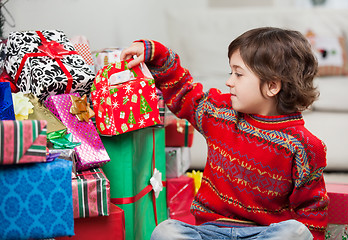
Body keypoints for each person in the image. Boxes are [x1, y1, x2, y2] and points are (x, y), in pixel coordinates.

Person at [120, 27, 329, 240]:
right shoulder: (220, 113)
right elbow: (184, 92)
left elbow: (312, 207)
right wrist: (158, 55)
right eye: (231, 73)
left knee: (295, 232)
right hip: (209, 231)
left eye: (238, 74)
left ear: (272, 86)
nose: (229, 81)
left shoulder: (305, 145)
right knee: (165, 231)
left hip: (262, 234)